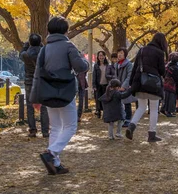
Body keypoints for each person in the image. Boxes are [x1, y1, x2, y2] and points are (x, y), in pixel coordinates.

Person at [33, 16, 89, 175]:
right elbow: (80, 66)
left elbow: (37, 74)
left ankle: (55, 164)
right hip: (66, 91)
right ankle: (51, 153)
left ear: (49, 30)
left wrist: (35, 98)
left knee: (56, 126)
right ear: (66, 30)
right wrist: (85, 61)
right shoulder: (68, 46)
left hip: (48, 91)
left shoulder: (44, 49)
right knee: (71, 126)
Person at [125, 33, 168, 142]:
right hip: (153, 84)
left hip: (140, 82)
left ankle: (131, 126)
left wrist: (131, 83)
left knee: (141, 107)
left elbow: (135, 67)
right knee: (154, 109)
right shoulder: (159, 52)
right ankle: (152, 134)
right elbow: (162, 71)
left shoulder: (142, 50)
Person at [20, 34, 49, 138]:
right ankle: (45, 131)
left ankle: (32, 130)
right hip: (42, 81)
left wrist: (26, 45)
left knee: (29, 106)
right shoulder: (44, 53)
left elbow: (21, 53)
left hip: (29, 82)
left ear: (30, 42)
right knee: (44, 107)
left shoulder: (26, 54)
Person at [116, 47, 137, 127]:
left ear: (125, 54)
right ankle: (122, 118)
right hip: (118, 87)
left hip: (126, 87)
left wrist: (124, 86)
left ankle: (128, 120)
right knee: (120, 104)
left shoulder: (128, 64)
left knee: (127, 103)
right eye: (118, 53)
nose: (119, 54)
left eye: (121, 53)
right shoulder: (117, 64)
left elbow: (129, 76)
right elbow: (115, 76)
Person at [161, 52, 178, 118]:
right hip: (172, 84)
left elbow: (164, 74)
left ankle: (163, 108)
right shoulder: (176, 68)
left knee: (166, 97)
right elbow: (177, 78)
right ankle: (169, 112)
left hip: (166, 82)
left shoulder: (167, 65)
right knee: (171, 98)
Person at [93, 51, 110, 118]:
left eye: (102, 55)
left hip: (106, 85)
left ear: (105, 56)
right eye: (100, 55)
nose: (101, 57)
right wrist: (94, 85)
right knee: (98, 99)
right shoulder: (96, 65)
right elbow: (94, 76)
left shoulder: (108, 65)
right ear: (98, 57)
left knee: (105, 100)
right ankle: (98, 112)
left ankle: (105, 113)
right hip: (98, 85)